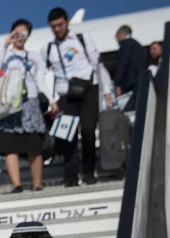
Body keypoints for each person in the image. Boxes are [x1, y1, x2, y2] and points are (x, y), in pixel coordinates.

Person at [44, 7, 115, 187]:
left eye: (60, 25)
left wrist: (107, 90)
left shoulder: (82, 39)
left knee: (88, 130)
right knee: (67, 136)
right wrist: (50, 99)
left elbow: (97, 65)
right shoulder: (48, 48)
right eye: (53, 27)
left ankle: (89, 171)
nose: (57, 29)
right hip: (65, 95)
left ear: (67, 21)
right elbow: (40, 74)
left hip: (88, 89)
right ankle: (70, 177)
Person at [0, 19, 49, 194]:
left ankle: (37, 183)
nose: (20, 37)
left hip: (29, 100)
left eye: (23, 34)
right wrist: (5, 45)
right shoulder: (5, 56)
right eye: (16, 33)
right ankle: (17, 184)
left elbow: (41, 80)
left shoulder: (34, 56)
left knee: (34, 145)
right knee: (10, 145)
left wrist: (51, 100)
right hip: (11, 103)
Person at [113, 25, 148, 112]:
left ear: (120, 34)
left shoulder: (125, 44)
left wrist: (117, 83)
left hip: (130, 84)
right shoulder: (139, 46)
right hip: (140, 82)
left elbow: (123, 63)